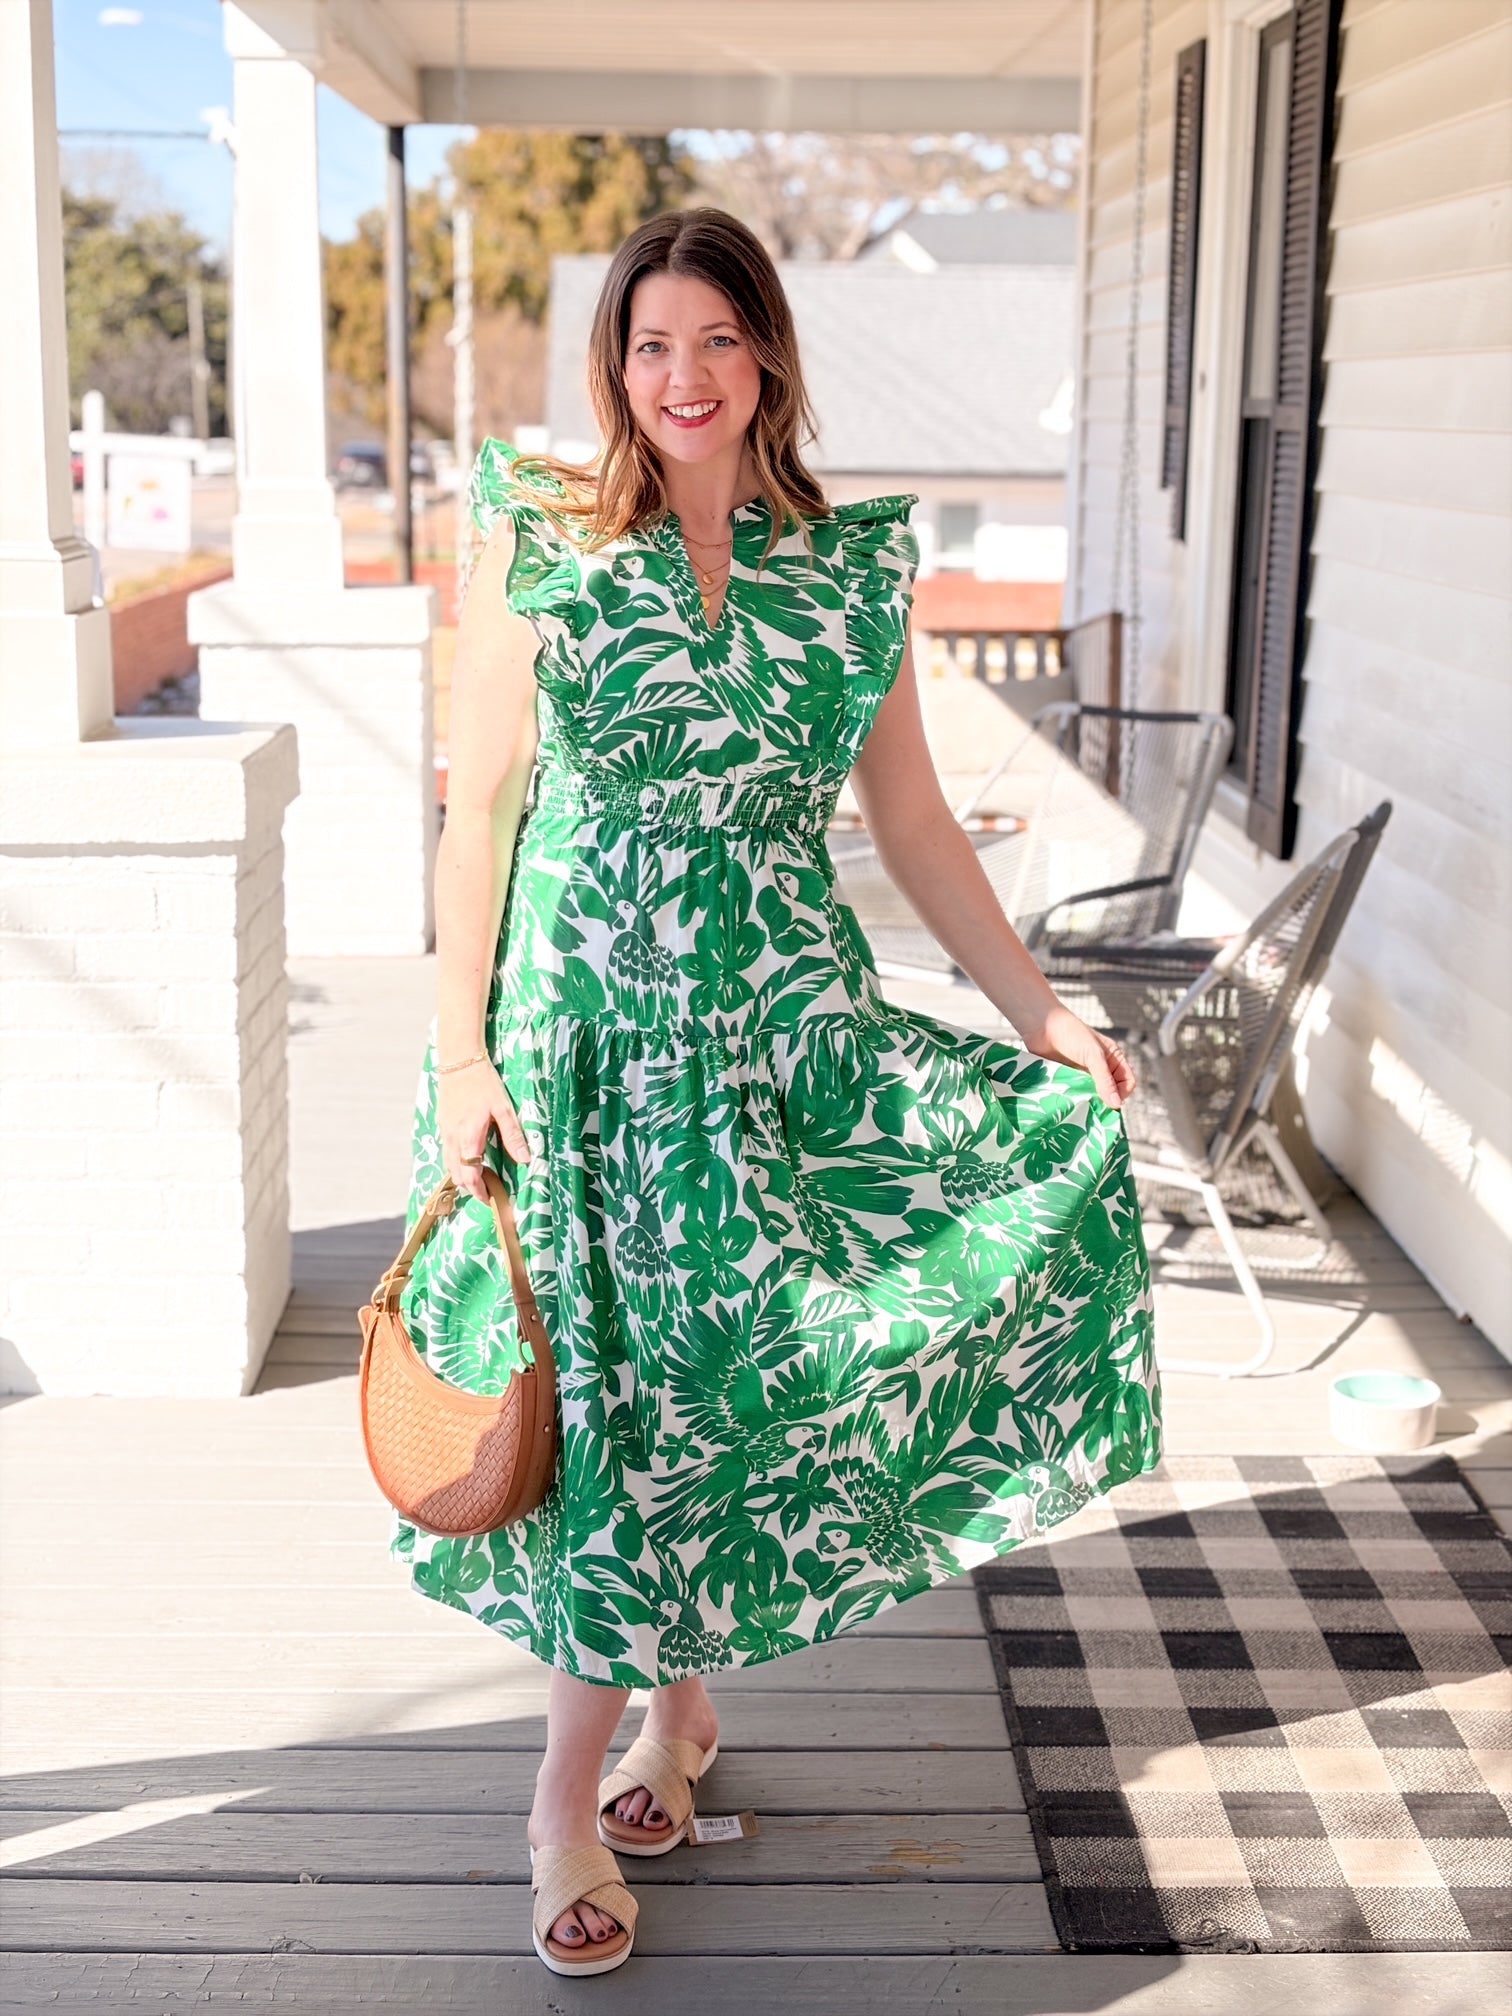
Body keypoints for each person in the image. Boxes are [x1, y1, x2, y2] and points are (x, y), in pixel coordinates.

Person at [391, 206, 1160, 1978]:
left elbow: (909, 828)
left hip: (780, 1045)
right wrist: (458, 1053)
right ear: (616, 365)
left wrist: (1038, 1015)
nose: (682, 377)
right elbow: (483, 812)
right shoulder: (546, 546)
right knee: (613, 1435)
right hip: (577, 1056)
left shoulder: (848, 572)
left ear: (769, 359)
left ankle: (685, 1716)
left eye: (715, 342)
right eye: (650, 345)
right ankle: (562, 1800)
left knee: (718, 1401)